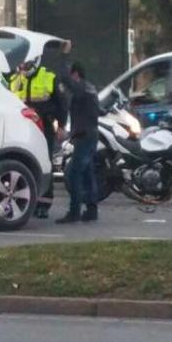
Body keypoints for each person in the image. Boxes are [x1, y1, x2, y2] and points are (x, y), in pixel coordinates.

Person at [9, 55, 66, 218]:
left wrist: (61, 126)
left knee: (44, 164)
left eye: (26, 64)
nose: (24, 67)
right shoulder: (15, 79)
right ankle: (26, 201)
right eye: (22, 64)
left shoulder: (48, 76)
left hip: (43, 128)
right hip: (20, 129)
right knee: (22, 164)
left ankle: (44, 204)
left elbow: (62, 103)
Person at [56, 62, 100, 224]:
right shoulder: (90, 88)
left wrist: (64, 57)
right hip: (89, 135)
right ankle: (91, 210)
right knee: (88, 174)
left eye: (72, 76)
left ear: (76, 75)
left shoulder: (81, 88)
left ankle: (74, 212)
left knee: (74, 175)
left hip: (84, 137)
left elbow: (65, 79)